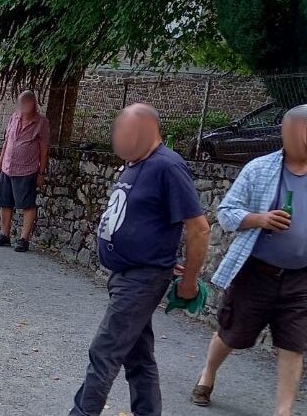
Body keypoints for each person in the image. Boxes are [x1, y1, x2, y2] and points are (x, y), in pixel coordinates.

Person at [70, 104, 211, 416]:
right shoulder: (135, 163)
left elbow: (198, 228)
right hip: (128, 275)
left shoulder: (168, 167)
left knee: (104, 351)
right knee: (138, 357)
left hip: (141, 279)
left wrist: (188, 281)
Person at [190, 105, 307, 416]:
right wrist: (259, 218)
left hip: (300, 278)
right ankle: (208, 375)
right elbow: (226, 213)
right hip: (256, 271)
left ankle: (283, 411)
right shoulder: (260, 169)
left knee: (294, 345)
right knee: (232, 333)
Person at [0, 90, 51, 252]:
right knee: (4, 202)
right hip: (8, 167)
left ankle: (24, 239)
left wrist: (41, 172)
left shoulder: (41, 122)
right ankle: (4, 234)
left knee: (27, 205)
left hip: (27, 169)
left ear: (33, 105)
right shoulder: (14, 117)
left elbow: (44, 149)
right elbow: (6, 142)